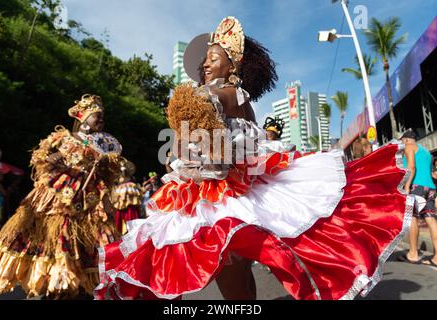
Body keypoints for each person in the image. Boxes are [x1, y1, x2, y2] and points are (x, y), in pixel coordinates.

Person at [94, 17, 413, 300]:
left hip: (226, 194)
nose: (205, 65)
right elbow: (204, 145)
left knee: (231, 276)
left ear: (233, 66)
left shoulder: (225, 94)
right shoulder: (235, 100)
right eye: (204, 60)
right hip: (222, 188)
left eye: (213, 59)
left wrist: (188, 114)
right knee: (236, 275)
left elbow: (211, 134)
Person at [0, 94, 123, 299]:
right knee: (62, 235)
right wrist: (54, 160)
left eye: (103, 116)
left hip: (92, 198)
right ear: (83, 117)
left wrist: (106, 164)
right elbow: (43, 158)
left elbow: (117, 170)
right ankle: (60, 281)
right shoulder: (65, 138)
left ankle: (84, 283)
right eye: (97, 115)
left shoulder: (105, 143)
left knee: (94, 240)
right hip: (62, 195)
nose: (101, 119)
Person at [398, 129, 437, 267]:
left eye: (402, 140)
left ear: (407, 139)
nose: (402, 143)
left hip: (416, 186)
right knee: (431, 219)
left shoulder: (409, 147)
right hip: (430, 187)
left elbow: (412, 167)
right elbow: (432, 172)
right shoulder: (426, 152)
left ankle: (413, 254)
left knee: (413, 218)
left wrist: (407, 186)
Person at [111, 160, 141, 234]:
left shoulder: (131, 184)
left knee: (131, 220)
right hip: (121, 208)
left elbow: (135, 199)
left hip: (130, 208)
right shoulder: (117, 185)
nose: (122, 173)